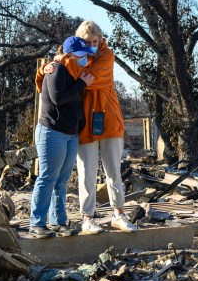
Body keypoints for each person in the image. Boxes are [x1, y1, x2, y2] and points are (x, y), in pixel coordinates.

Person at [41, 20, 136, 234]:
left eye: (96, 41)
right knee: (86, 173)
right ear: (79, 42)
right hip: (83, 123)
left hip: (109, 121)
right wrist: (46, 68)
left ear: (101, 40)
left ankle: (119, 214)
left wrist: (62, 61)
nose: (92, 45)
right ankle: (87, 217)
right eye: (87, 42)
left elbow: (89, 78)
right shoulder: (67, 60)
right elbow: (51, 79)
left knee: (113, 170)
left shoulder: (106, 56)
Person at [28, 36, 94, 238]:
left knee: (62, 180)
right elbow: (58, 97)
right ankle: (37, 223)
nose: (85, 59)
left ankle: (58, 221)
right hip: (52, 131)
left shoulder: (74, 71)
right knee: (47, 177)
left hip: (69, 133)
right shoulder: (56, 69)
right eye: (82, 55)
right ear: (71, 55)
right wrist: (82, 84)